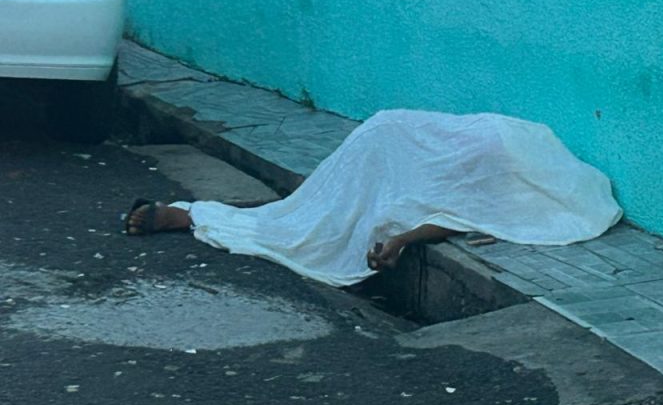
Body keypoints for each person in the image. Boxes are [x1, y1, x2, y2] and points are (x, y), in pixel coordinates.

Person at [125, 109, 622, 287]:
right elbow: (457, 207)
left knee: (319, 220)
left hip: (396, 140)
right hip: (396, 139)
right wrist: (403, 237)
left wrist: (402, 239)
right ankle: (189, 216)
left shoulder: (517, 187)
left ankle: (188, 216)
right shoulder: (517, 149)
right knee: (318, 219)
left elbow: (454, 213)